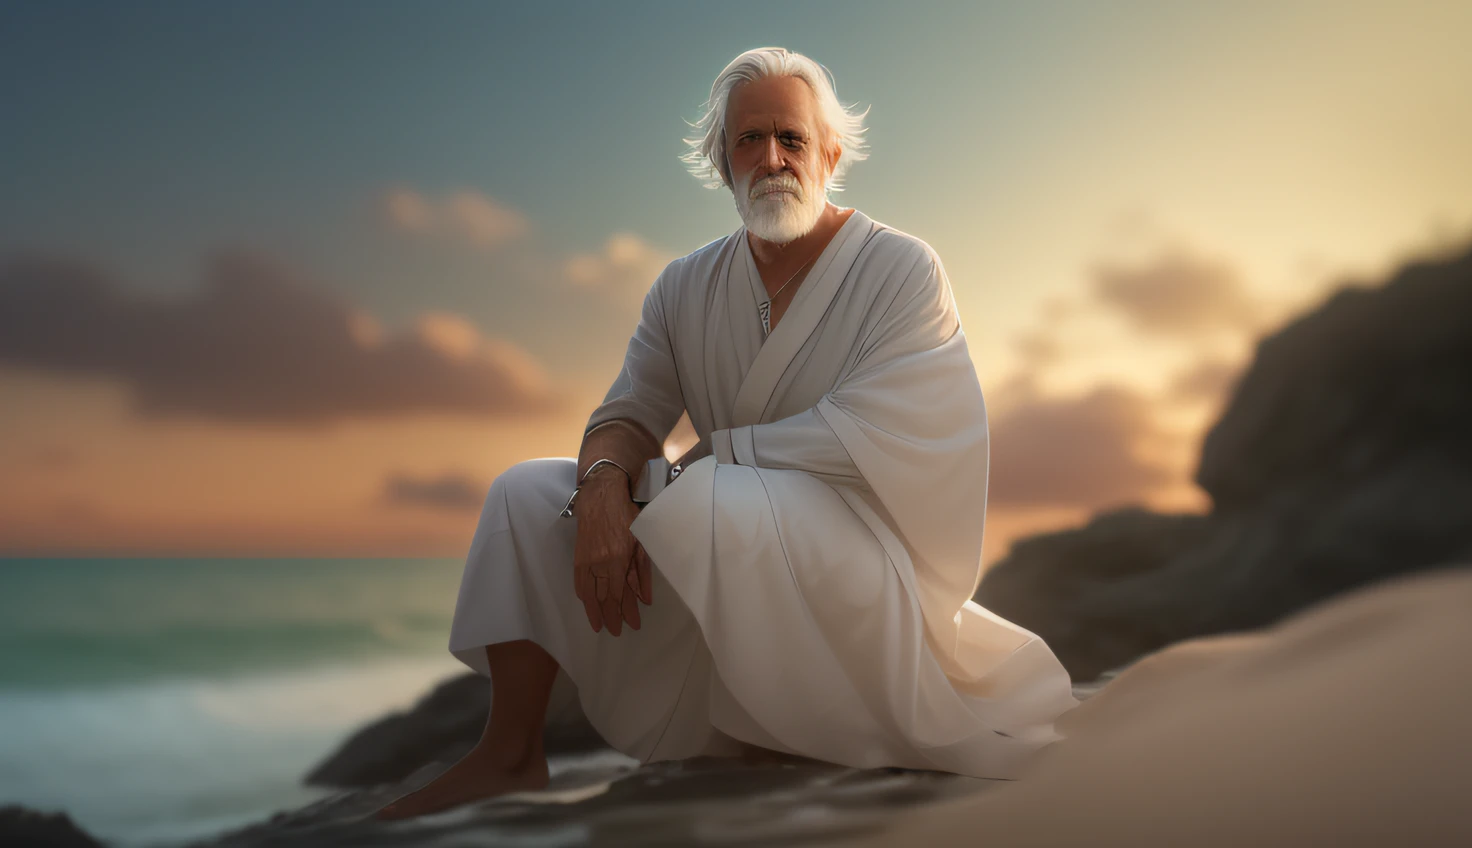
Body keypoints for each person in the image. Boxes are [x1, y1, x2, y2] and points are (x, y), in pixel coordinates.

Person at [376, 46, 1078, 820]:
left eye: (792, 139)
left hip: (863, 558)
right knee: (527, 493)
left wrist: (711, 461)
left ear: (831, 154)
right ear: (720, 161)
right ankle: (507, 754)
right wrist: (603, 488)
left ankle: (787, 732)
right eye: (748, 140)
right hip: (715, 514)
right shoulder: (683, 284)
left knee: (713, 494)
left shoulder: (902, 269)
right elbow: (627, 414)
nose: (771, 159)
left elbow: (888, 429)